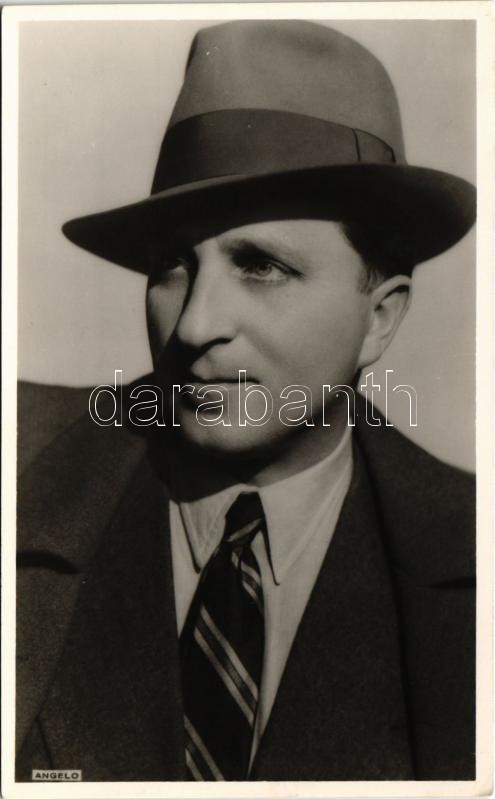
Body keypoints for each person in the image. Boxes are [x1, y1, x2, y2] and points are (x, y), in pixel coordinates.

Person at [16, 20, 476, 782]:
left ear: (379, 317)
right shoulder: (21, 469)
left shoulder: (467, 562)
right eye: (172, 263)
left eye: (259, 265)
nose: (195, 324)